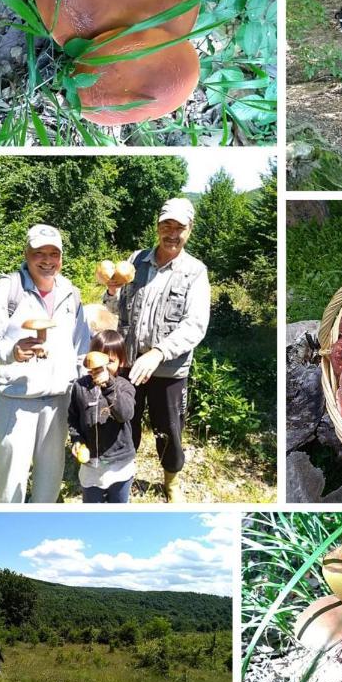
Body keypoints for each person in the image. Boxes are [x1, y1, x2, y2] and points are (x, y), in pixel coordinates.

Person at [0, 225, 90, 503]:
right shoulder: (7, 290)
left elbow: (81, 347)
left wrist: (82, 391)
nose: (47, 260)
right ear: (26, 254)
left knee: (50, 478)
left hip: (59, 400)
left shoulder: (71, 294)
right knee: (11, 479)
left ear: (62, 257)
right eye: (39, 253)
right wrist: (10, 351)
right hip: (16, 401)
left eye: (54, 253)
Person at [102, 198, 210, 503]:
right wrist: (111, 291)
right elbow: (113, 310)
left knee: (170, 430)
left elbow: (195, 325)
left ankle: (171, 481)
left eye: (179, 227)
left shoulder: (195, 272)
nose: (172, 233)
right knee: (124, 423)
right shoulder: (135, 261)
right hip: (128, 364)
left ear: (190, 229)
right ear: (158, 226)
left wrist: (159, 352)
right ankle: (123, 476)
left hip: (168, 369)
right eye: (166, 226)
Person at [68, 330, 136, 503]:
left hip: (119, 461)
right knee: (92, 507)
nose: (102, 368)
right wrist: (77, 439)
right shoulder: (80, 387)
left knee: (119, 506)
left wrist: (109, 386)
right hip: (91, 462)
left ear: (121, 362)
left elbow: (125, 414)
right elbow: (73, 418)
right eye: (98, 361)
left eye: (110, 361)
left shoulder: (124, 386)